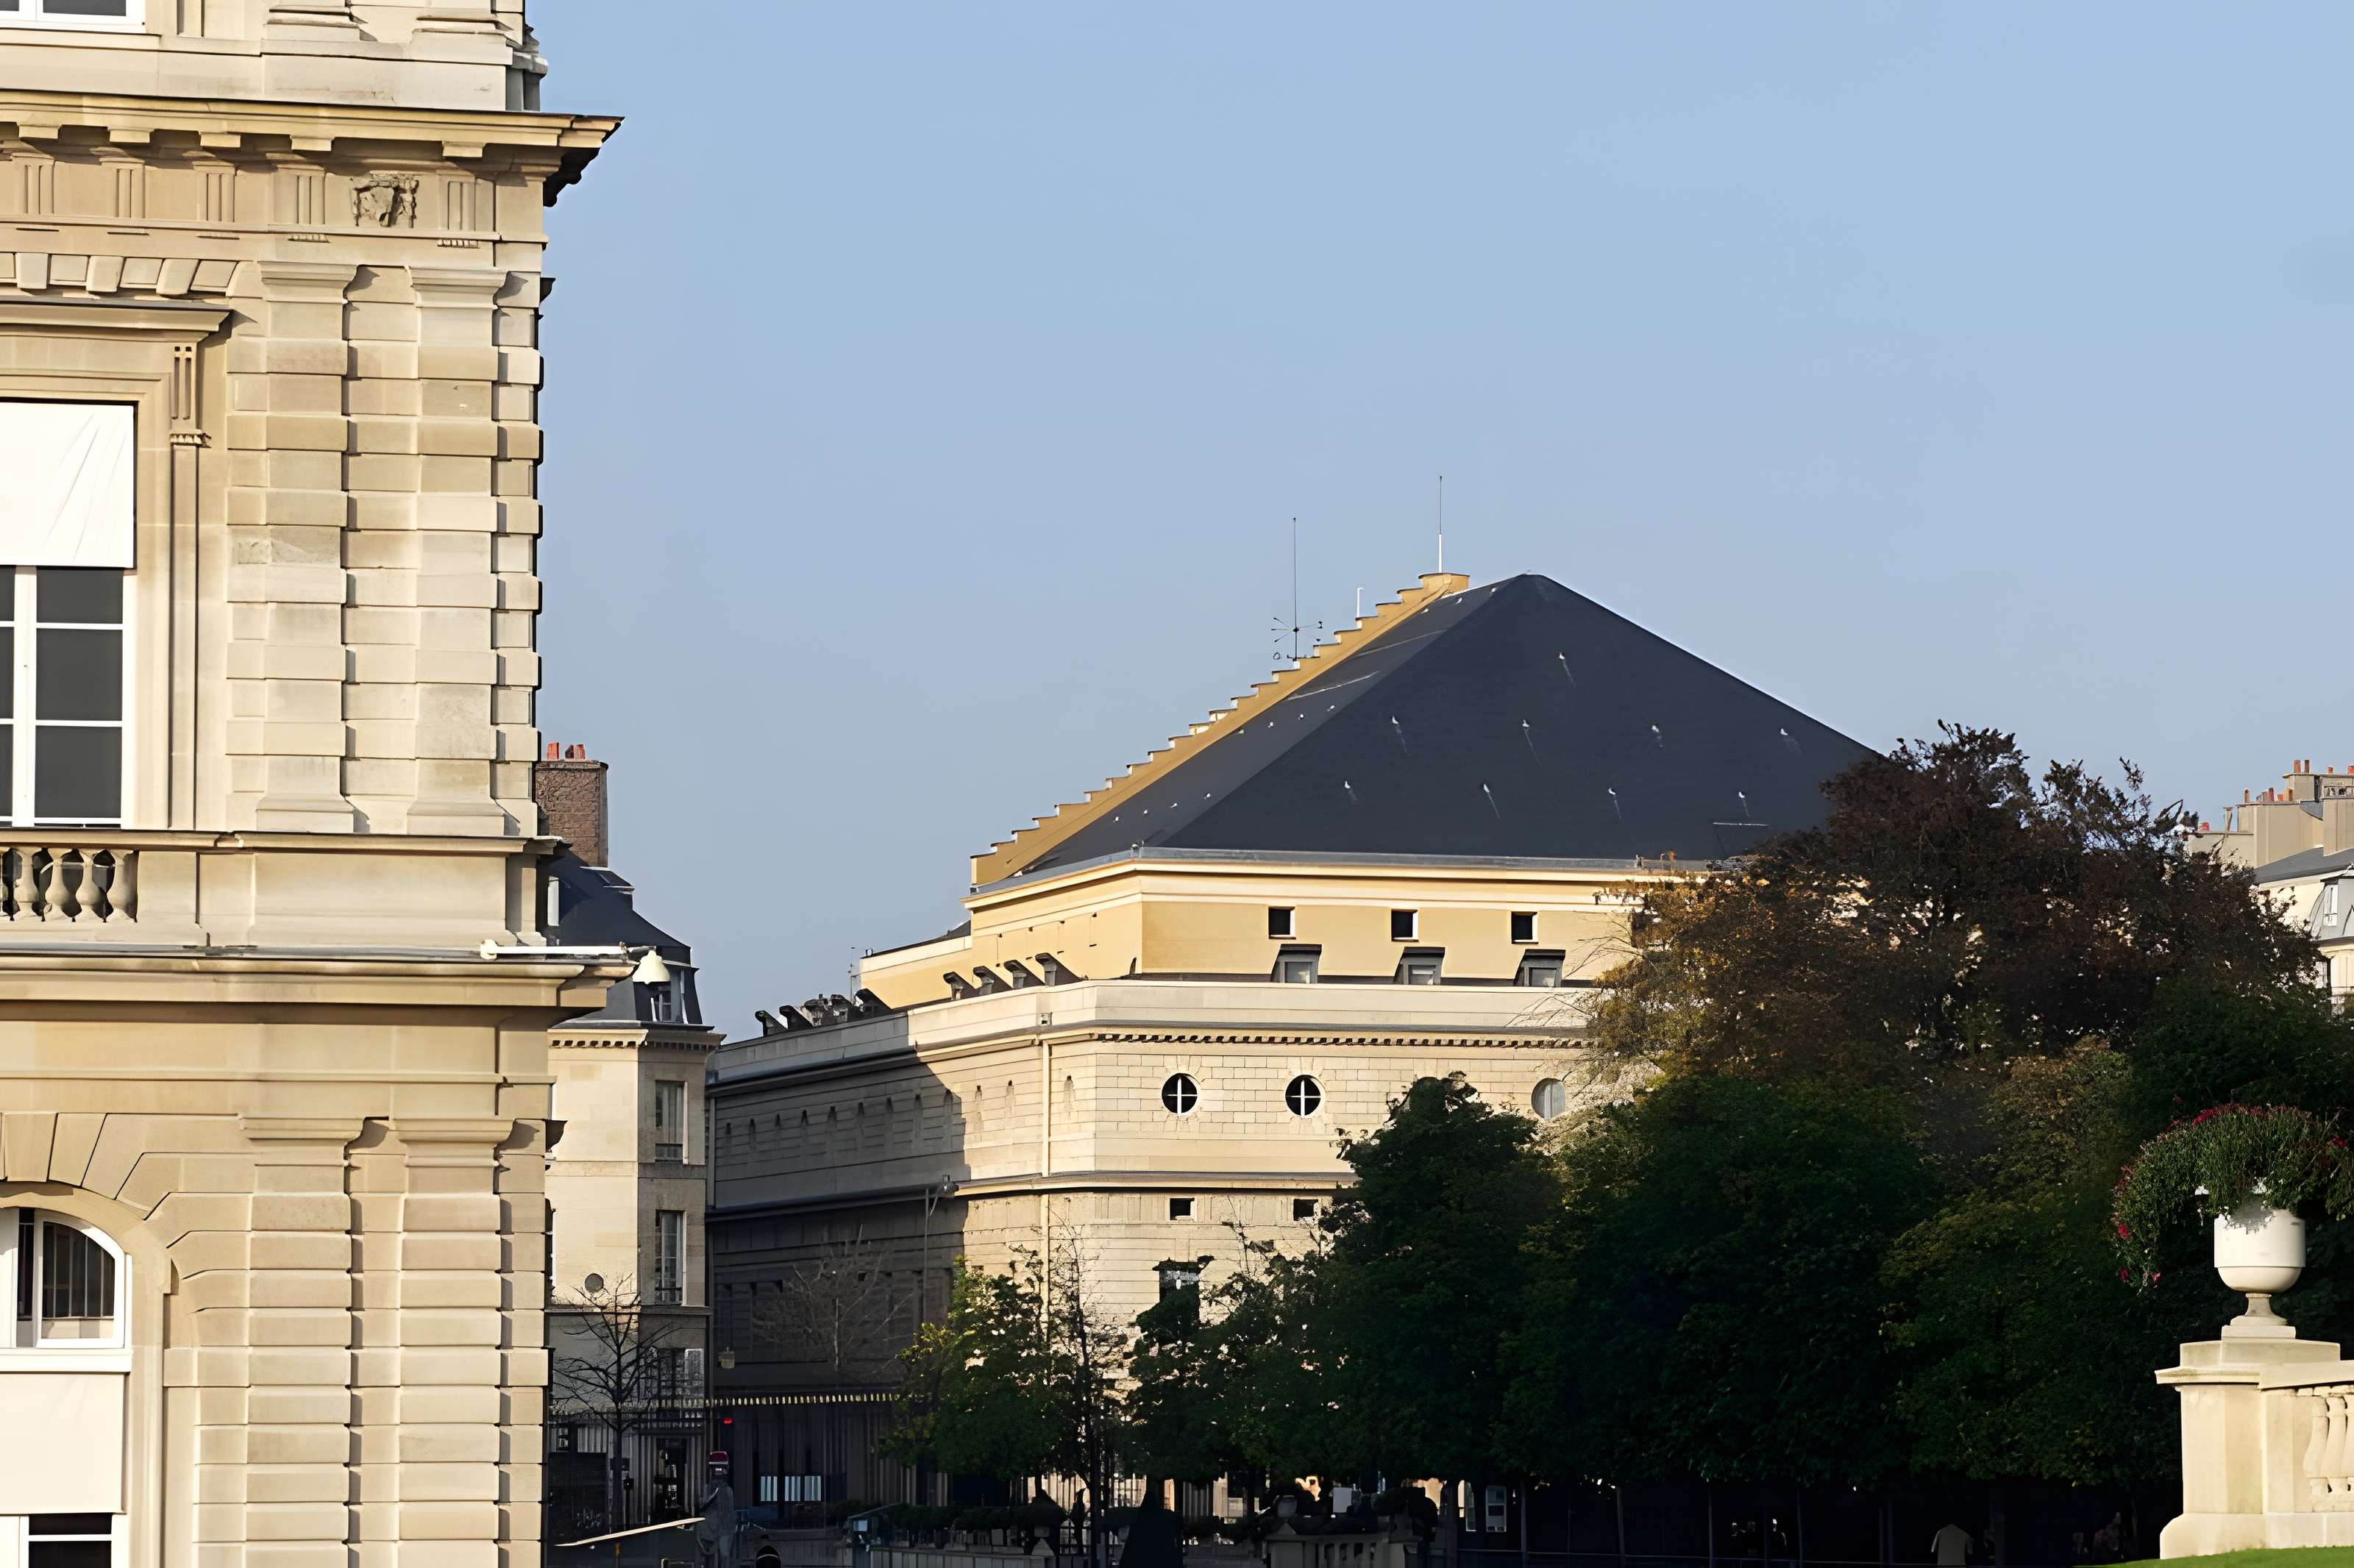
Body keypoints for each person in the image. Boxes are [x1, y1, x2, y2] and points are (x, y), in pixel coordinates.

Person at [697, 1473, 739, 1568]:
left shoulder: (726, 1491)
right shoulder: (719, 1491)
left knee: (724, 1556)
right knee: (722, 1555)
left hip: (724, 1529)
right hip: (722, 1529)